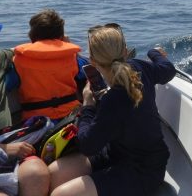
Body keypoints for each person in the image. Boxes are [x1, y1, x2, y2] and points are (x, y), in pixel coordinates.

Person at [48, 24, 176, 196]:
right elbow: (168, 69)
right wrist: (154, 52)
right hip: (117, 153)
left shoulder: (113, 100)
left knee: (60, 194)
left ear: (92, 61)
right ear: (125, 50)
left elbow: (87, 145)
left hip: (143, 171)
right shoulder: (141, 67)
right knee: (53, 174)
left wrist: (87, 105)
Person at [0, 9, 50, 196]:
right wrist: (4, 149)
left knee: (37, 173)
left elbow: (19, 50)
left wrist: (54, 42)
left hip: (9, 144)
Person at [13, 9, 82, 121]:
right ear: (61, 35)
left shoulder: (18, 59)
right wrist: (66, 45)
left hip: (37, 120)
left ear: (32, 35)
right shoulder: (73, 56)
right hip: (71, 115)